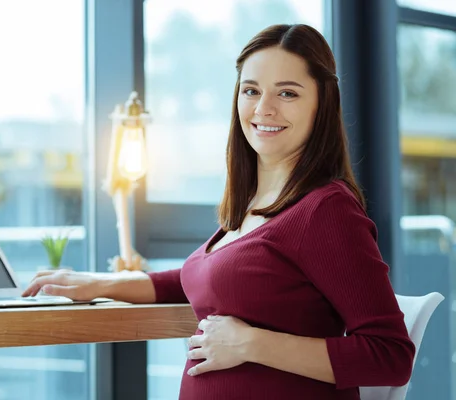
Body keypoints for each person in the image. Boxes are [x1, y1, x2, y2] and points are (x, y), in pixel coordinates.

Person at [22, 23, 415, 400]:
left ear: (322, 103)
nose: (264, 108)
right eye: (251, 91)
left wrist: (253, 343)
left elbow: (390, 356)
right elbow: (198, 278)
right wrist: (102, 284)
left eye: (288, 93)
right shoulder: (253, 205)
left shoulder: (326, 210)